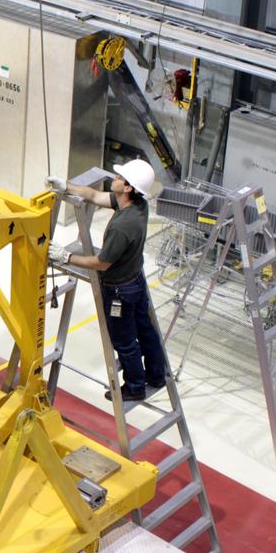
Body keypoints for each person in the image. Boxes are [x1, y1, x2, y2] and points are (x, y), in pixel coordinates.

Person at [46, 159, 167, 403]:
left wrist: (66, 256)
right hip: (135, 279)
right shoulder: (137, 205)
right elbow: (94, 195)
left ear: (129, 187)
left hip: (119, 291)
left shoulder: (122, 226)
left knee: (124, 340)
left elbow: (101, 263)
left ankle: (135, 386)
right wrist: (66, 186)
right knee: (146, 330)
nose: (115, 178)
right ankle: (157, 375)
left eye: (120, 178)